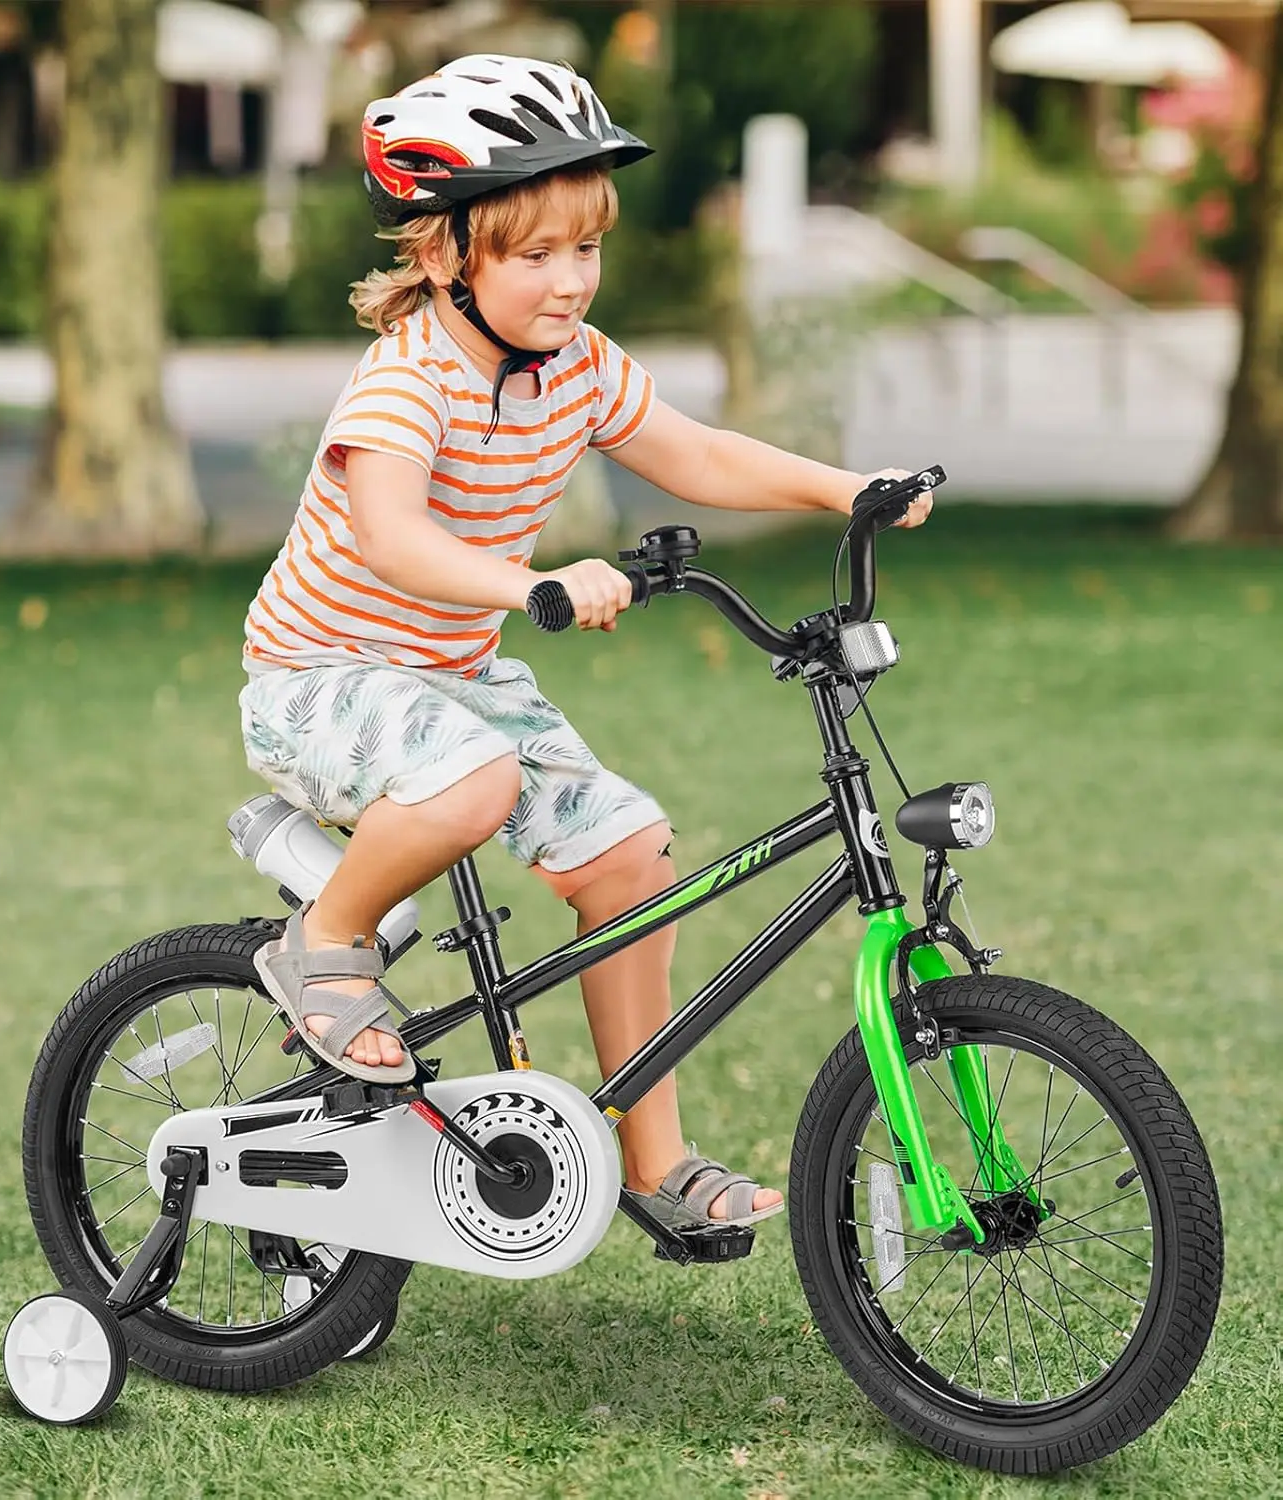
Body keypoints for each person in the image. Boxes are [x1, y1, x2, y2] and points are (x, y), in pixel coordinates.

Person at [241, 54, 933, 1230]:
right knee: (474, 777)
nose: (571, 282)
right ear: (445, 251)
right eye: (535, 253)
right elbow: (398, 542)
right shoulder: (404, 384)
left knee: (632, 858)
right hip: (322, 681)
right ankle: (324, 942)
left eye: (587, 248)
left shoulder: (577, 368)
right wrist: (534, 581)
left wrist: (847, 487)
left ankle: (653, 1162)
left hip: (452, 676)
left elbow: (697, 454)